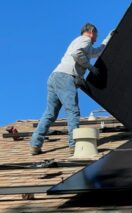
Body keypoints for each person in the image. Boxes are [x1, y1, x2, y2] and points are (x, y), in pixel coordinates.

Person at [29, 23, 113, 155]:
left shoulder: (79, 42)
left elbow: (97, 52)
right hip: (66, 77)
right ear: (91, 31)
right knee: (73, 111)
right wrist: (90, 68)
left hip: (55, 76)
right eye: (96, 35)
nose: (96, 38)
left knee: (50, 114)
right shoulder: (84, 40)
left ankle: (35, 144)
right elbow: (77, 54)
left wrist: (108, 38)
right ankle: (74, 145)